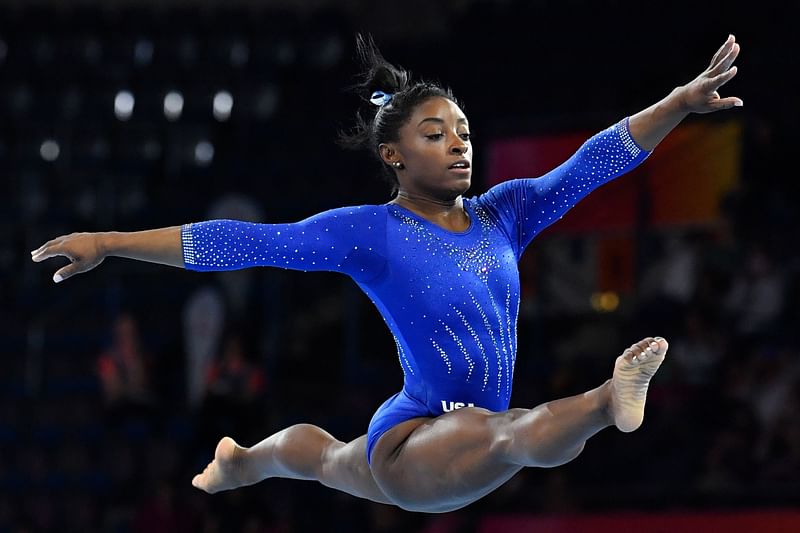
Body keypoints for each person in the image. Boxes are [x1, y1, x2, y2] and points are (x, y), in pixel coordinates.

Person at [31, 34, 743, 513]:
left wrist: (678, 103)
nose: (458, 145)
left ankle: (242, 460)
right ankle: (607, 398)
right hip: (409, 441)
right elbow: (240, 241)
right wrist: (109, 239)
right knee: (512, 435)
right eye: (435, 135)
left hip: (458, 433)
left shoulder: (506, 215)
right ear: (395, 156)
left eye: (463, 131)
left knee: (324, 458)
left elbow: (595, 161)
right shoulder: (370, 232)